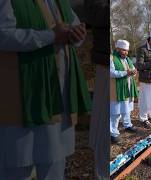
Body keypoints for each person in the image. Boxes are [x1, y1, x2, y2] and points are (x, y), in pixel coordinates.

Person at [0, 0, 91, 179]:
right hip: (24, 95)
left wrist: (77, 35)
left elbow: (73, 26)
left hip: (59, 93)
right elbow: (3, 34)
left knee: (54, 160)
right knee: (18, 162)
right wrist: (49, 37)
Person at [84, 0, 109, 178]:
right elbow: (94, 12)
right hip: (105, 64)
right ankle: (101, 171)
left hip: (107, 61)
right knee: (103, 119)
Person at [110, 39, 139, 143]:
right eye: (123, 50)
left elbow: (132, 70)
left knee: (127, 109)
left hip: (127, 88)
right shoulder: (111, 58)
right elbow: (111, 73)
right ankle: (113, 133)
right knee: (115, 111)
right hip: (116, 89)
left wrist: (134, 72)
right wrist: (125, 73)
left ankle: (128, 125)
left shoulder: (128, 60)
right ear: (117, 49)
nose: (125, 53)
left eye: (127, 51)